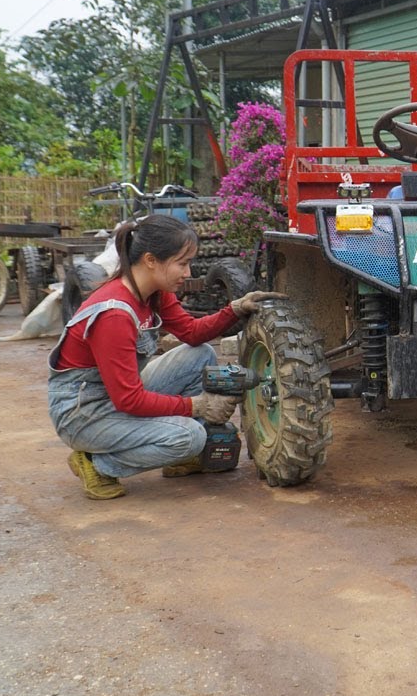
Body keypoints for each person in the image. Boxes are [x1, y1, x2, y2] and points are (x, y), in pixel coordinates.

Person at [47, 214, 271, 500]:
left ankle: (178, 456)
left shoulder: (153, 292)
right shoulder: (114, 314)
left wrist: (234, 309)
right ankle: (97, 464)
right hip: (83, 413)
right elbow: (129, 400)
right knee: (191, 436)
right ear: (151, 260)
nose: (188, 273)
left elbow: (191, 332)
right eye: (182, 263)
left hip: (112, 394)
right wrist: (198, 406)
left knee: (199, 355)